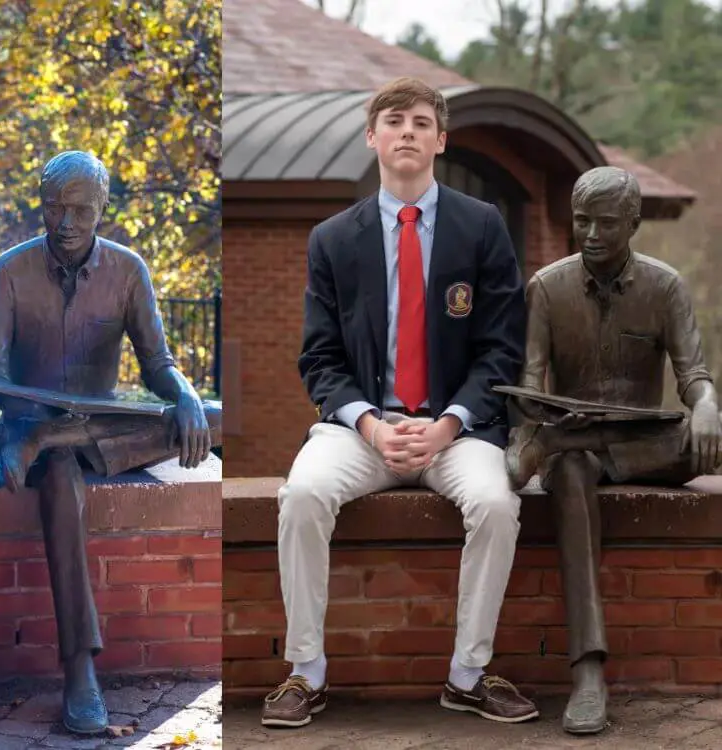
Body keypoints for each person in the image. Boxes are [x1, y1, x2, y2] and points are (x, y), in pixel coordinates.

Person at [261, 77, 537, 728]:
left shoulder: (483, 226)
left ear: (441, 140)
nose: (406, 131)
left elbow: (503, 348)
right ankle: (306, 673)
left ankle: (467, 675)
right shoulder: (332, 239)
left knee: (498, 504)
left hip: (458, 430)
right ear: (372, 137)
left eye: (420, 121)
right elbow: (318, 357)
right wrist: (369, 425)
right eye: (393, 120)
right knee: (300, 496)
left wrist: (447, 425)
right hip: (360, 429)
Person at [0, 150, 220, 735]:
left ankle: (53, 435)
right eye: (54, 208)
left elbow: (157, 363)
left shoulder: (128, 269)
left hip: (102, 429)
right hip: (33, 433)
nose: (65, 223)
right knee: (61, 479)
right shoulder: (8, 272)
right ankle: (79, 671)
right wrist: (29, 421)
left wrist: (186, 397)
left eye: (80, 211)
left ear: (102, 208)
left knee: (219, 416)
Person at [506, 165, 722, 734]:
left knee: (712, 437)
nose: (592, 234)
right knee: (571, 470)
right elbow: (529, 386)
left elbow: (693, 373)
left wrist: (705, 407)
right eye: (582, 221)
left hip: (643, 443)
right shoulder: (546, 289)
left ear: (633, 222)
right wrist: (539, 417)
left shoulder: (665, 286)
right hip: (571, 452)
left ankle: (562, 443)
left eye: (606, 223)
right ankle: (588, 672)